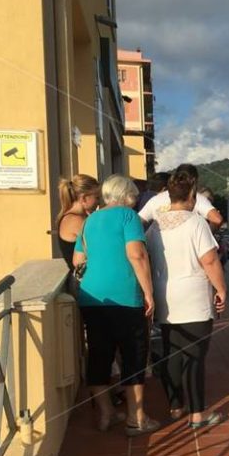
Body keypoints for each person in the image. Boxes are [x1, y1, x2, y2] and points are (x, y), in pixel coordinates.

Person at [73, 175, 159, 435]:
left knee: (100, 354)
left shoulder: (89, 221)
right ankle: (137, 419)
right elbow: (137, 254)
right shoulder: (127, 216)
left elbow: (78, 260)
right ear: (127, 196)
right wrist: (148, 292)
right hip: (124, 297)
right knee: (133, 355)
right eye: (133, 196)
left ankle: (107, 413)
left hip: (92, 298)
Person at [146, 169, 227, 428]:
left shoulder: (156, 225)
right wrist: (221, 289)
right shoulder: (196, 223)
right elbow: (210, 260)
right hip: (193, 298)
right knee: (194, 356)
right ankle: (197, 414)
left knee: (173, 352)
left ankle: (175, 405)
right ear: (192, 194)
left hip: (165, 296)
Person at [138, 164, 224, 229]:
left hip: (160, 249)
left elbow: (137, 222)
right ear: (194, 180)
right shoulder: (196, 198)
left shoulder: (156, 199)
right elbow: (217, 219)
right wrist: (208, 235)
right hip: (190, 250)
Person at [56, 174, 100, 272]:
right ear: (84, 198)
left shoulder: (73, 217)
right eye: (97, 197)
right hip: (82, 280)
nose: (99, 202)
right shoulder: (75, 220)